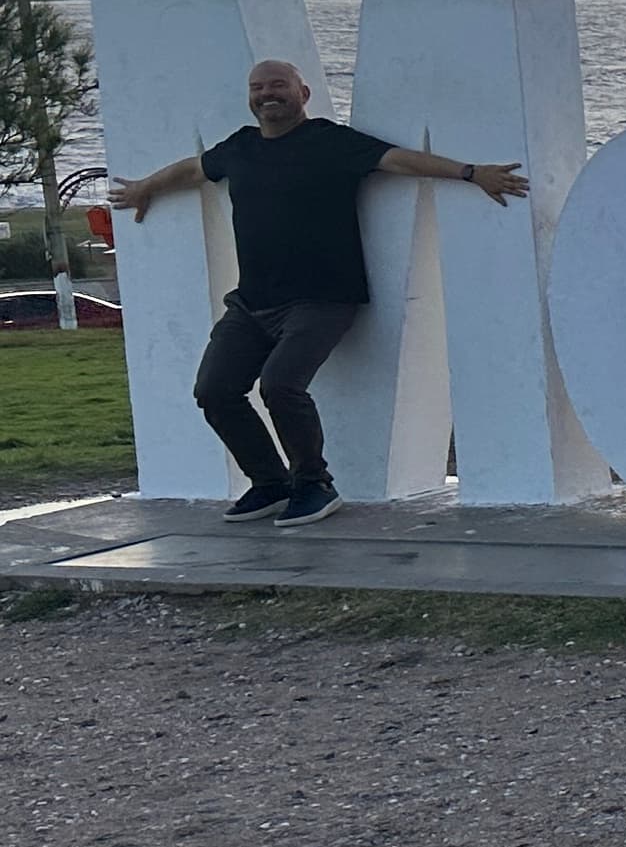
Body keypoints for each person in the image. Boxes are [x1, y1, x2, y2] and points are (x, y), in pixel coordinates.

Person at [106, 58, 529, 527]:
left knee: (281, 385)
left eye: (279, 85)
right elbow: (191, 170)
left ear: (303, 94)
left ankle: (314, 485)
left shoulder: (331, 141)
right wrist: (146, 186)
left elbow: (401, 160)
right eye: (258, 87)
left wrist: (471, 173)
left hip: (323, 298)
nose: (268, 94)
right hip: (251, 303)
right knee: (214, 389)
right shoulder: (239, 148)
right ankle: (269, 484)